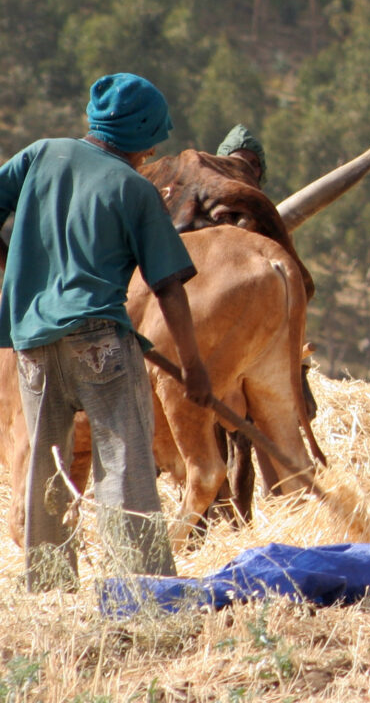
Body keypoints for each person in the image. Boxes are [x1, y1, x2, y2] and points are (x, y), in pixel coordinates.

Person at [0, 73, 213, 591]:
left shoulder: (40, 155)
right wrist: (192, 366)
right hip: (99, 343)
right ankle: (139, 590)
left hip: (32, 342)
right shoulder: (134, 189)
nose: (155, 149)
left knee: (48, 466)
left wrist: (16, 269)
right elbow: (168, 287)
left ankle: (49, 586)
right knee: (123, 467)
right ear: (140, 136)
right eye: (153, 138)